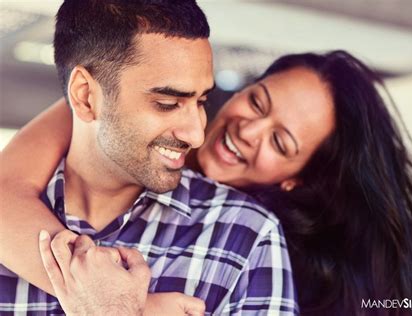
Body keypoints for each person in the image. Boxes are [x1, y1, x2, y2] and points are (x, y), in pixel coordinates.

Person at [0, 1, 299, 315]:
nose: (197, 136)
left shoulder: (245, 237)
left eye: (202, 100)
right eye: (168, 103)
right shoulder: (13, 204)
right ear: (85, 96)